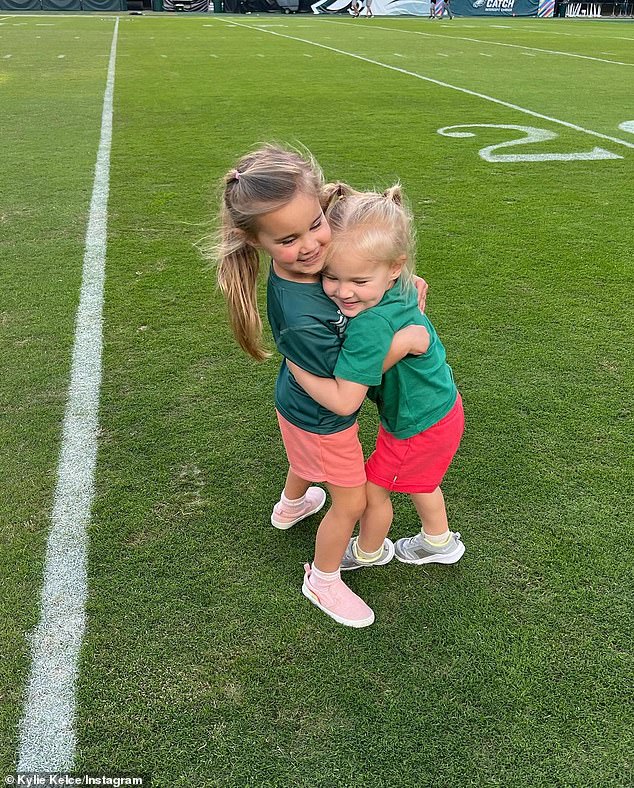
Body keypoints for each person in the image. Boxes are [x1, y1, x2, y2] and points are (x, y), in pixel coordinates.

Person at [213, 145, 429, 628]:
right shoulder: (304, 317)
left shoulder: (310, 270)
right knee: (350, 500)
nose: (311, 245)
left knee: (303, 461)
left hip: (294, 404)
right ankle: (324, 578)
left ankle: (291, 506)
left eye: (315, 224)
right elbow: (346, 394)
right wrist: (405, 338)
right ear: (255, 241)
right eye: (288, 239)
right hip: (323, 415)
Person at [286, 184, 465, 579]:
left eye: (358, 282)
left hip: (416, 423)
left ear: (394, 267)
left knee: (373, 490)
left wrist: (298, 367)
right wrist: (405, 337)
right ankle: (440, 542)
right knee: (421, 482)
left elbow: (346, 397)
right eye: (330, 277)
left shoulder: (370, 325)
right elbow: (406, 294)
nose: (343, 292)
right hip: (439, 409)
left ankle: (368, 552)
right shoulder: (398, 282)